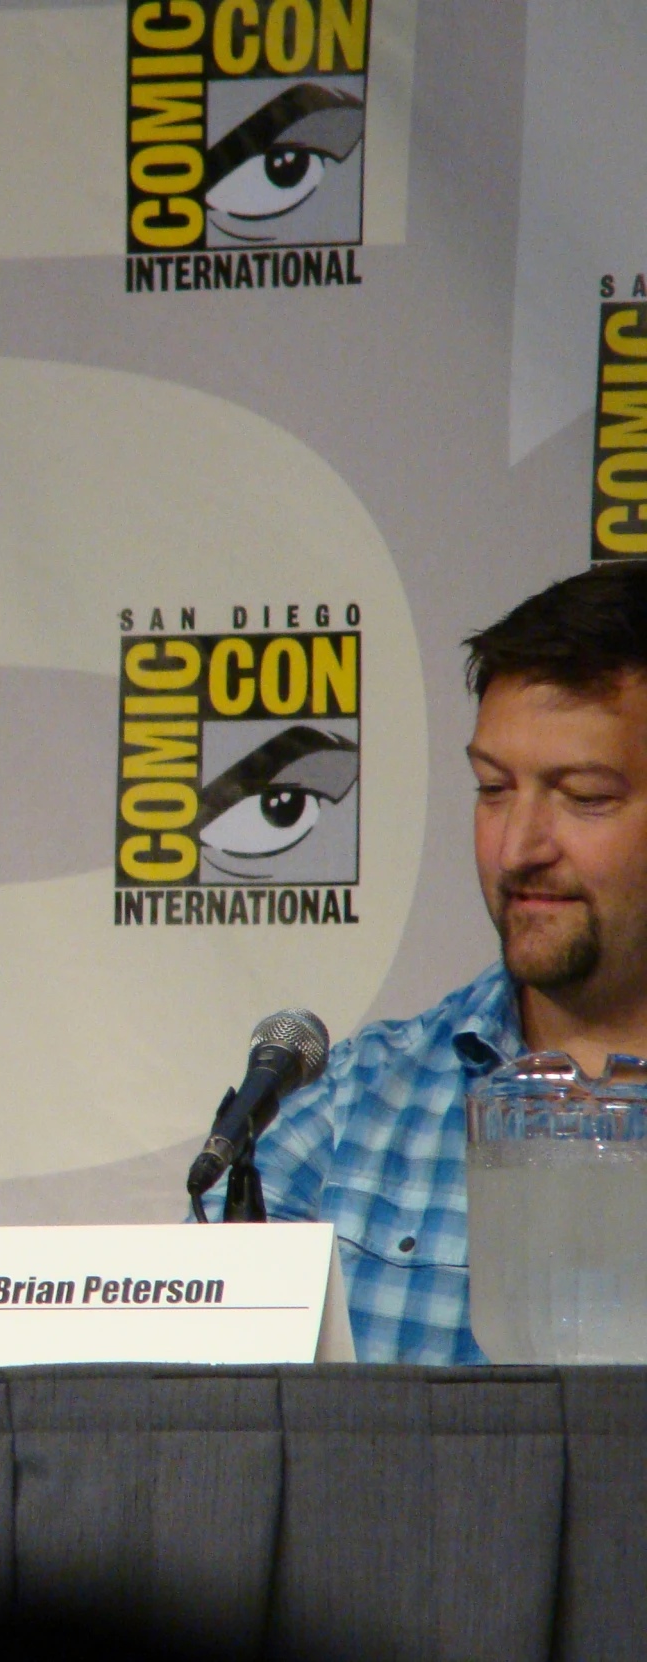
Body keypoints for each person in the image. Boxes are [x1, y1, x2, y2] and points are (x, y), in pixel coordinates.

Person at [229, 564, 647, 1363]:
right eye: (493, 788)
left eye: (584, 795)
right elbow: (187, 1429)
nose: (517, 847)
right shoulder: (349, 1106)